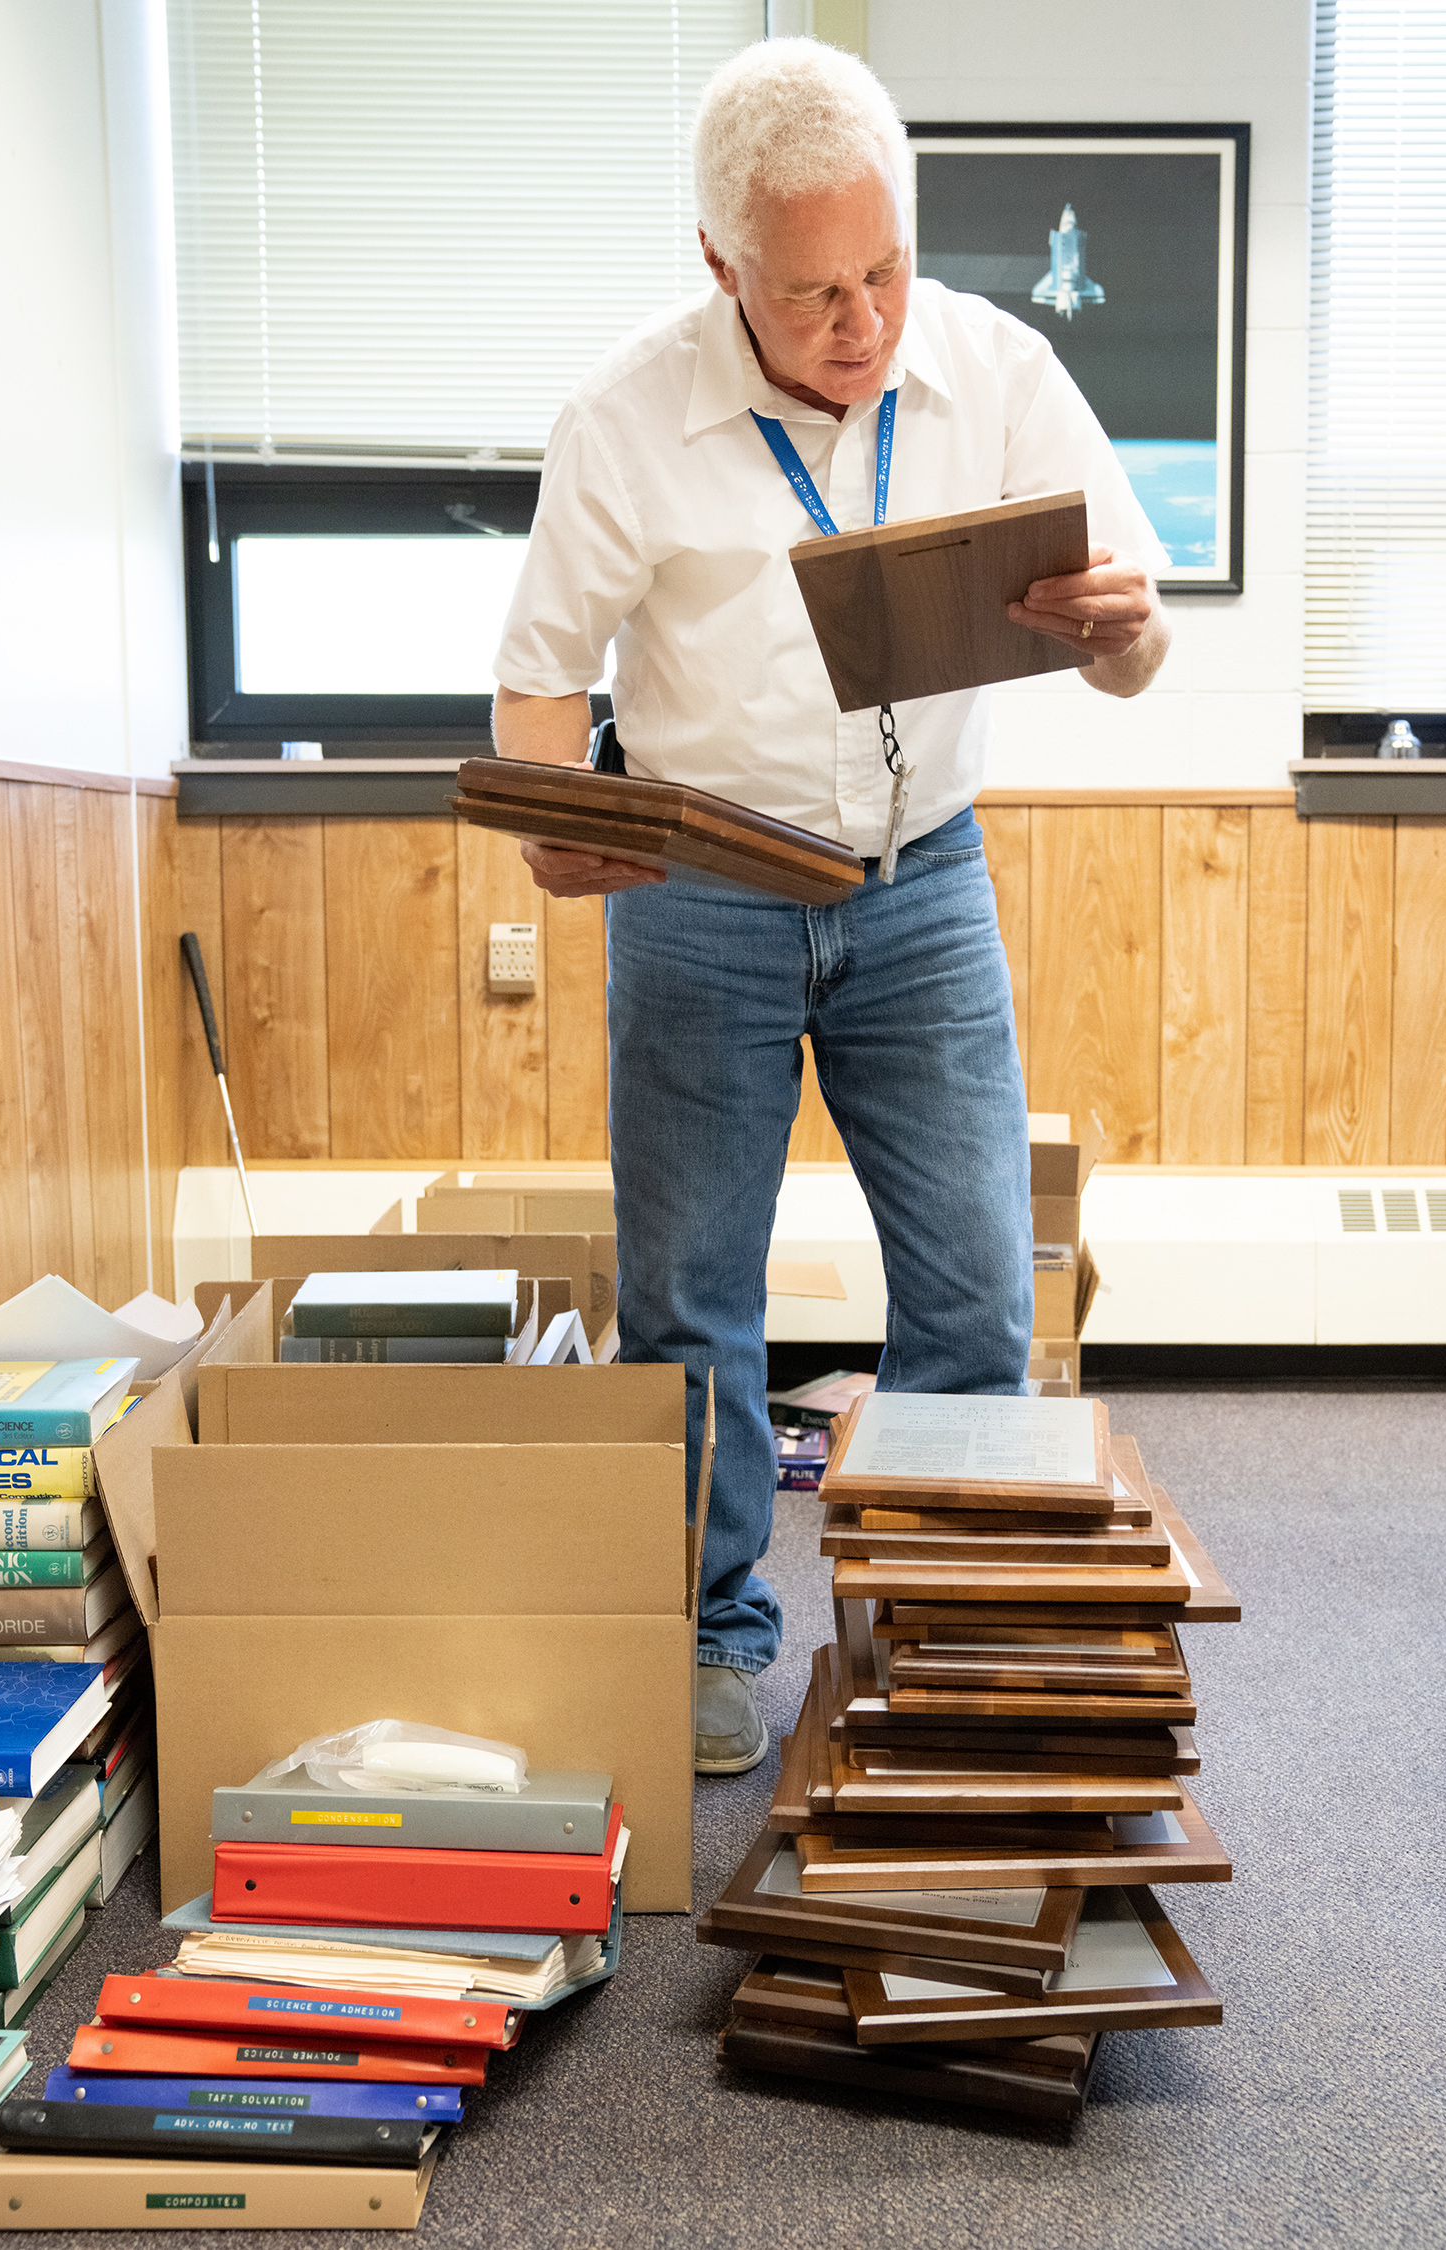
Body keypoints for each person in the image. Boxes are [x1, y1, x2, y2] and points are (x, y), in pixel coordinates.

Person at [492, 38, 1170, 1776]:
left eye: (883, 268)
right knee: (694, 1295)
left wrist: (1115, 630)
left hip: (925, 876)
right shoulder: (625, 418)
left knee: (970, 1288)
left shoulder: (1000, 369)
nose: (863, 319)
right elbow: (539, 685)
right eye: (811, 293)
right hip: (705, 881)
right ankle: (719, 1631)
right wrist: (558, 827)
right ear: (721, 268)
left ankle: (938, 1616)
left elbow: (1137, 648)